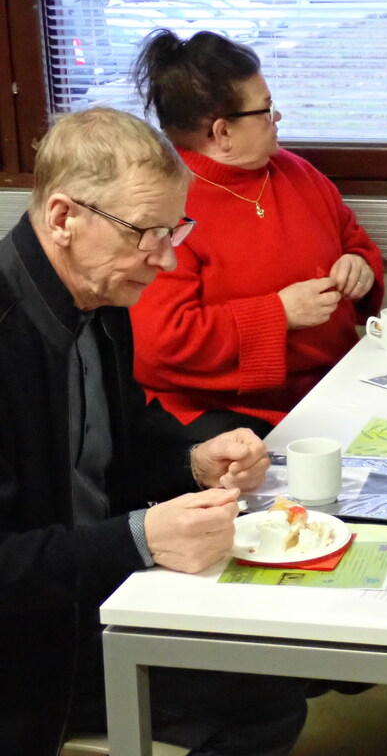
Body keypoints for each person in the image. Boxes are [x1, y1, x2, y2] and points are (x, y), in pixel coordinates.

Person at [0, 107, 310, 756]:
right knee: (266, 698)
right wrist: (139, 538)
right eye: (145, 233)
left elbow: (122, 438)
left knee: (289, 642)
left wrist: (192, 460)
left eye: (173, 231)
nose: (165, 259)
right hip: (28, 644)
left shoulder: (99, 295)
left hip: (91, 586)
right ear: (63, 218)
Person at [129, 28, 385, 441]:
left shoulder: (298, 174)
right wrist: (279, 314)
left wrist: (359, 266)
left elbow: (354, 241)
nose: (276, 118)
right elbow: (162, 344)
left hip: (333, 387)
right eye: (265, 109)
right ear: (222, 132)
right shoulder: (164, 208)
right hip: (227, 415)